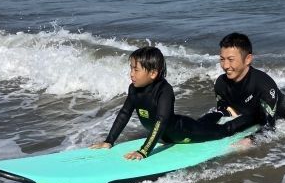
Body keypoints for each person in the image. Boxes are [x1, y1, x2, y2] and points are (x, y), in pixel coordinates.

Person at [91, 46, 230, 160]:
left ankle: (247, 119)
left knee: (223, 131)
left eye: (136, 69)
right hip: (166, 135)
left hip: (184, 133)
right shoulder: (134, 89)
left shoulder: (164, 91)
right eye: (131, 68)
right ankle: (220, 112)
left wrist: (144, 151)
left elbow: (161, 121)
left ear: (152, 73)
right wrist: (109, 141)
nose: (131, 74)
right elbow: (124, 114)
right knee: (202, 123)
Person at [198, 32, 285, 136]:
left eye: (231, 60)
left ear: (247, 59)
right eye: (222, 59)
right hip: (252, 114)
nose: (225, 66)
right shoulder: (221, 84)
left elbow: (270, 128)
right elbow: (223, 111)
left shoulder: (263, 85)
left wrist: (251, 139)